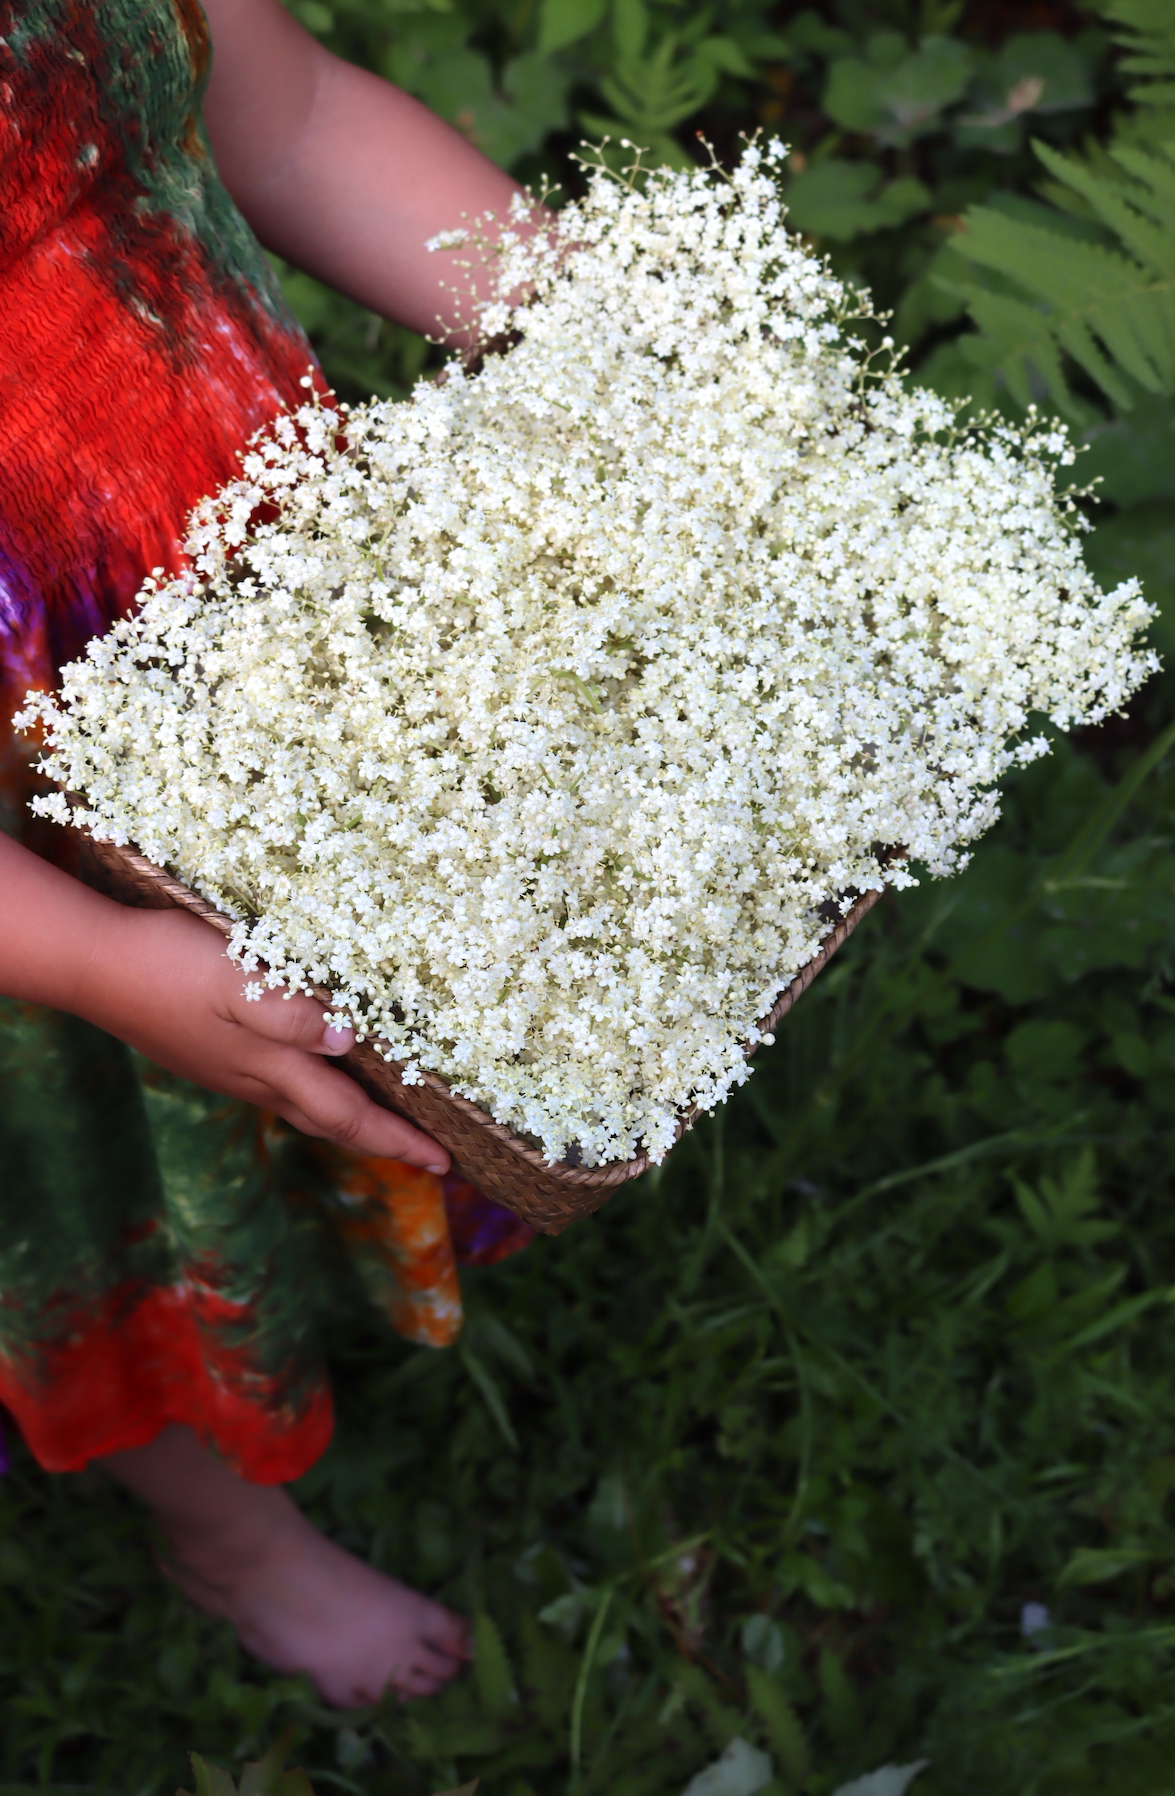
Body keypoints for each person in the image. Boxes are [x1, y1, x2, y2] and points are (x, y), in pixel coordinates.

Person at [0, 0, 537, 1709]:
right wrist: (93, 963)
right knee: (97, 1207)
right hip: (35, 900)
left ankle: (357, 1245)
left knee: (336, 1046)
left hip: (266, 646)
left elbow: (289, 118)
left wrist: (602, 335)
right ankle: (228, 1532)